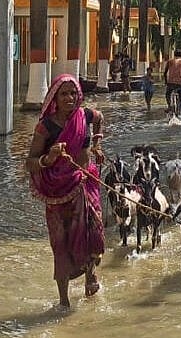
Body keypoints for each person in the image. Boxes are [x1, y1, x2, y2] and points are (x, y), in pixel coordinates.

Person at [26, 73, 106, 309]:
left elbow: (100, 118)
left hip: (85, 182)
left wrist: (97, 145)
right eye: (64, 94)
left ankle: (91, 277)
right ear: (55, 98)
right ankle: (63, 302)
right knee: (60, 245)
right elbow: (29, 162)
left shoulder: (85, 115)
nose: (70, 98)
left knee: (93, 231)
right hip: (58, 191)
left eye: (73, 93)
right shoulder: (46, 127)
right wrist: (48, 159)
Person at [164, 50, 181, 121]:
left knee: (167, 94)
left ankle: (169, 106)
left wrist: (166, 82)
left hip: (170, 83)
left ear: (174, 54)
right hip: (180, 83)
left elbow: (165, 72)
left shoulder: (170, 61)